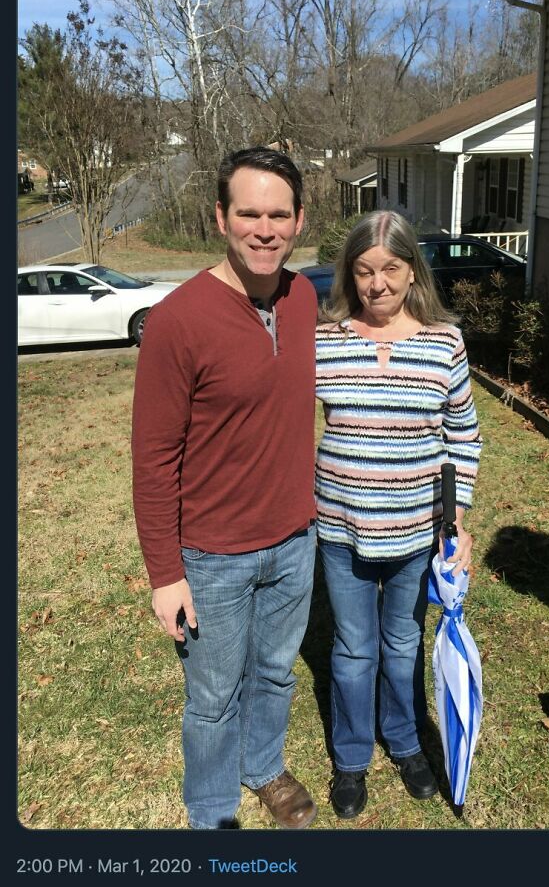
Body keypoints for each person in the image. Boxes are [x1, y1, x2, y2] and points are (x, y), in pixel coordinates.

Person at [132, 147, 318, 831]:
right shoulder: (178, 319)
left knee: (275, 672)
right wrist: (165, 573)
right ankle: (212, 813)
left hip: (297, 540)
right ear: (221, 216)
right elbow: (153, 458)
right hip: (212, 556)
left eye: (278, 214)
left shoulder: (303, 298)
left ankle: (262, 764)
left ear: (298, 219)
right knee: (212, 697)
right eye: (249, 213)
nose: (264, 229)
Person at [315, 211, 482, 819]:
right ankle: (353, 757)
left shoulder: (445, 342)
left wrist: (456, 518)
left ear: (412, 270)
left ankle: (407, 741)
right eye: (363, 271)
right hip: (340, 527)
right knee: (354, 648)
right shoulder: (326, 340)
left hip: (417, 533)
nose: (377, 284)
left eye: (389, 268)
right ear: (349, 274)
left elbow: (463, 437)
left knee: (403, 640)